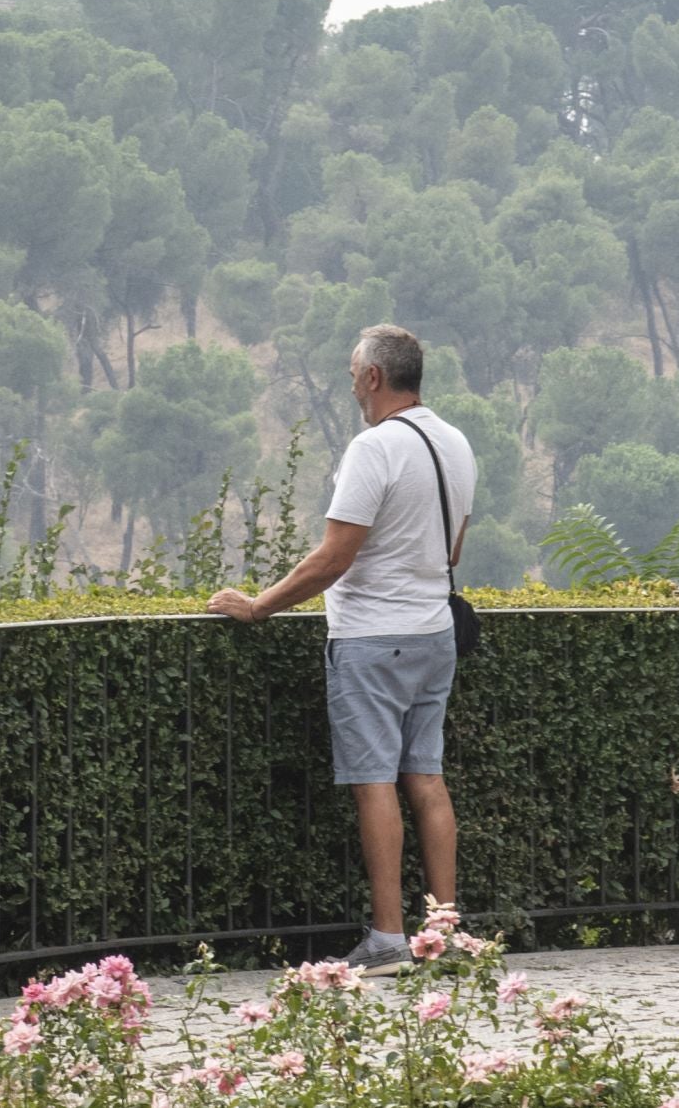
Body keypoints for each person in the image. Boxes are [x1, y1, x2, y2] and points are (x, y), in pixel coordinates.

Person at [206, 324, 474, 975]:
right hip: (434, 634)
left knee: (375, 783)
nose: (352, 381)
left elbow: (332, 558)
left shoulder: (373, 449)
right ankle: (445, 934)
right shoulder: (456, 443)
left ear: (375, 377)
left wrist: (259, 605)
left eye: (355, 371)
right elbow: (453, 550)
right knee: (429, 780)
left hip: (371, 641)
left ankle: (388, 938)